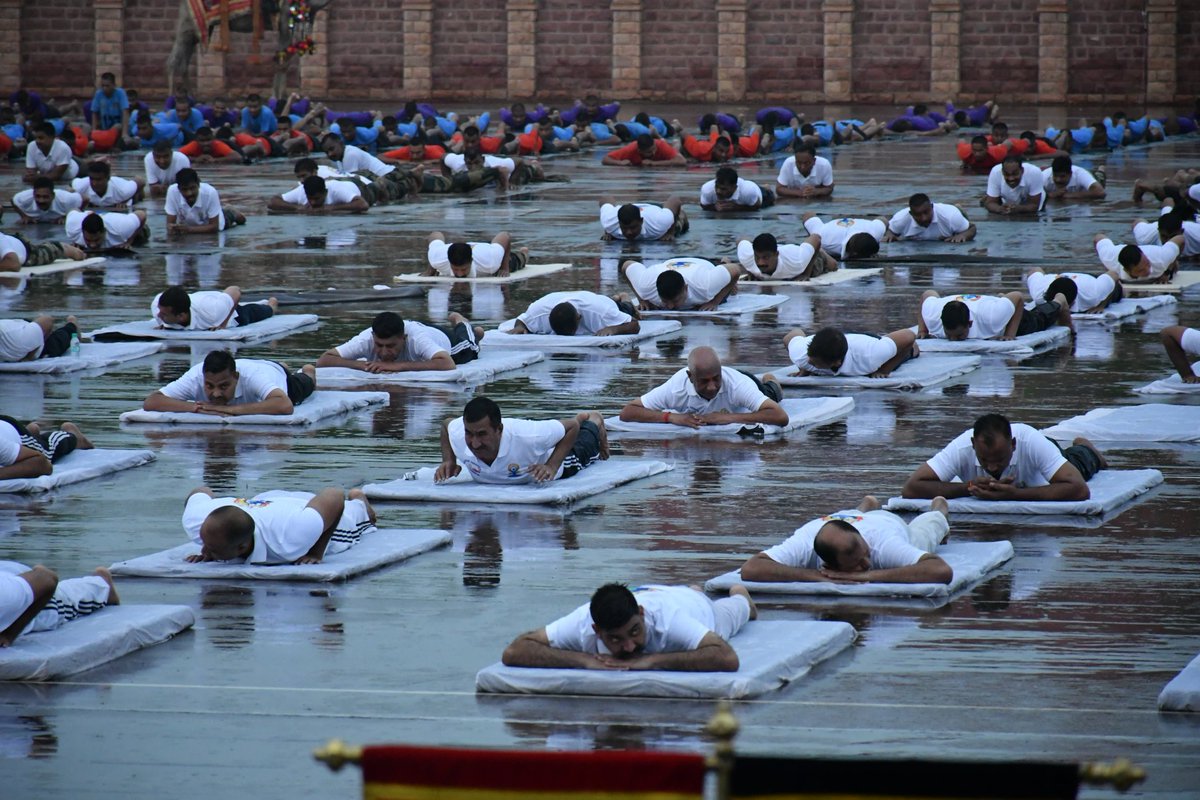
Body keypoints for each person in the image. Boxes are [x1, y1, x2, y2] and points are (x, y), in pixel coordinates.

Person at [500, 582, 754, 672]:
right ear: (597, 631)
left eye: (634, 632)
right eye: (615, 640)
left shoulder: (669, 621)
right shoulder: (580, 623)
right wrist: (583, 660)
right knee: (681, 593)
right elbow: (515, 651)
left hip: (696, 607)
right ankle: (688, 588)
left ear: (641, 615)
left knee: (739, 610)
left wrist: (652, 660)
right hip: (651, 591)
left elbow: (726, 657)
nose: (629, 646)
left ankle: (740, 595)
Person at [740, 495, 952, 585]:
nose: (866, 563)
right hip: (843, 518)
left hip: (886, 524)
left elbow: (940, 571)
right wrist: (816, 577)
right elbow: (752, 568)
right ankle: (866, 504)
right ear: (829, 565)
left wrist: (868, 576)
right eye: (857, 564)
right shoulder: (805, 541)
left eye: (865, 556)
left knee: (928, 528)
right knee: (846, 516)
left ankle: (939, 507)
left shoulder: (883, 545)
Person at [901, 412, 1105, 502]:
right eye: (984, 460)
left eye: (999, 460)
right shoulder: (962, 446)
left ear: (1013, 445)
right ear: (973, 445)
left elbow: (1079, 490)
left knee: (1080, 463)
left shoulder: (1028, 441)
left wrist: (1014, 494)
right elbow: (911, 488)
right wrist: (968, 487)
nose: (991, 468)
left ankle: (1086, 447)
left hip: (1047, 451)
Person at [181, 485, 376, 565]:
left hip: (304, 514)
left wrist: (316, 552)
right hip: (268, 500)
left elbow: (334, 494)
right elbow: (201, 490)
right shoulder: (195, 519)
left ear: (242, 546)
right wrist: (209, 552)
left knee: (355, 516)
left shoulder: (290, 541)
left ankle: (359, 500)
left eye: (212, 548)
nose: (203, 548)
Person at [435, 396, 609, 484]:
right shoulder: (458, 433)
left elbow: (572, 427)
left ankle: (593, 420)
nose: (474, 443)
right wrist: (449, 460)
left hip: (556, 458)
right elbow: (445, 425)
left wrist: (551, 466)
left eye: (482, 434)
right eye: (469, 434)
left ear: (499, 430)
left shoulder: (530, 437)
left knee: (585, 446)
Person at [619, 346, 787, 428]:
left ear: (721, 372)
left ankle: (770, 380)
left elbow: (780, 417)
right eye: (704, 381)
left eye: (716, 379)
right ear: (690, 377)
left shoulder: (737, 385)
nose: (712, 387)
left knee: (772, 394)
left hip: (749, 380)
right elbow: (628, 412)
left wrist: (726, 418)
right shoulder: (676, 387)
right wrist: (671, 417)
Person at [142, 350, 316, 417]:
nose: (216, 394)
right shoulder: (195, 376)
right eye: (210, 386)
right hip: (254, 363)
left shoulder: (251, 377)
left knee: (307, 384)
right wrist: (195, 408)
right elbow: (152, 401)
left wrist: (228, 409)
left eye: (223, 386)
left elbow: (284, 405)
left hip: (275, 374)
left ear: (236, 377)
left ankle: (305, 371)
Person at [316, 310, 482, 372]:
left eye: (391, 346)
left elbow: (447, 364)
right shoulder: (366, 338)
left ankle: (462, 322)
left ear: (403, 339)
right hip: (418, 327)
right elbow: (324, 360)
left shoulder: (417, 339)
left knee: (470, 348)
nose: (383, 352)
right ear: (373, 337)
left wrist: (396, 366)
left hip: (446, 341)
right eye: (379, 345)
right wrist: (361, 365)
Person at [0, 564, 119, 648]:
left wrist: (9, 635)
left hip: (37, 597)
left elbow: (47, 578)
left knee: (62, 600)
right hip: (13, 575)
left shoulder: (6, 596)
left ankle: (101, 585)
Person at [917, 290, 1071, 341]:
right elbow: (927, 294)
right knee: (1003, 305)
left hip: (997, 311)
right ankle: (1003, 300)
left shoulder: (992, 317)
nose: (953, 341)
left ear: (969, 324)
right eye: (949, 336)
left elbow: (1017, 297)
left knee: (1036, 320)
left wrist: (1010, 334)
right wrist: (922, 331)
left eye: (959, 336)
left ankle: (1059, 301)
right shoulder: (933, 314)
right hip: (986, 303)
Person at [784, 326, 919, 378]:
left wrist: (884, 370)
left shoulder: (871, 357)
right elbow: (791, 335)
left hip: (867, 342)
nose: (808, 362)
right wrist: (804, 368)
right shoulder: (801, 354)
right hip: (842, 336)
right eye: (810, 359)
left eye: (815, 363)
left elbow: (908, 335)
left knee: (911, 350)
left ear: (836, 362)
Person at [620, 257, 739, 311]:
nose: (671, 307)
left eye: (676, 300)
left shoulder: (705, 285)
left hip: (703, 264)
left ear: (686, 288)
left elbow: (735, 270)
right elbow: (626, 265)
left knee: (726, 292)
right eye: (665, 301)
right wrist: (642, 299)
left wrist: (715, 301)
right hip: (672, 261)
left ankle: (724, 261)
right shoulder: (645, 286)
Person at [509, 291, 640, 336]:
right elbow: (522, 320)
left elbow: (634, 324)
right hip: (567, 295)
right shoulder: (539, 311)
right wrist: (519, 327)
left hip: (603, 302)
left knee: (626, 308)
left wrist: (614, 329)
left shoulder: (601, 312)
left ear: (579, 318)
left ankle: (622, 297)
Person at [151, 285, 276, 331]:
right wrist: (164, 322)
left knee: (268, 311)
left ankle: (272, 303)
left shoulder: (214, 312)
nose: (158, 316)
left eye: (164, 315)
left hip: (235, 314)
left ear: (181, 316)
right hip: (204, 300)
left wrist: (223, 323)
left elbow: (236, 290)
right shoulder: (157, 306)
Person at [0, 415, 92, 477]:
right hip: (6, 430)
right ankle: (32, 434)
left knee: (47, 452)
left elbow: (43, 464)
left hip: (16, 432)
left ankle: (74, 436)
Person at [165, 168, 245, 235]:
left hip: (217, 224)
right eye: (184, 189)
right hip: (188, 225)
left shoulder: (210, 192)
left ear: (198, 185)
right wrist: (172, 228)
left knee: (240, 220)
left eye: (192, 188)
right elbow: (169, 224)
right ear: (178, 188)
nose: (189, 193)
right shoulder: (172, 191)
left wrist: (189, 230)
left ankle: (231, 211)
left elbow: (214, 227)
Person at [735, 232, 833, 281]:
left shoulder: (798, 261)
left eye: (766, 258)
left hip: (795, 256)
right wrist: (750, 271)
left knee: (833, 266)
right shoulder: (747, 256)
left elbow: (816, 238)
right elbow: (741, 241)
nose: (760, 263)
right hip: (783, 250)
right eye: (757, 257)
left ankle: (821, 252)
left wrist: (806, 273)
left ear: (776, 255)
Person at [425, 231, 525, 278]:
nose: (460, 274)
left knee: (515, 261)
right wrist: (432, 268)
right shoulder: (437, 258)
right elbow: (435, 234)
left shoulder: (490, 262)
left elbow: (505, 235)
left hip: (486, 250)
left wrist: (504, 268)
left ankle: (524, 252)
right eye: (455, 269)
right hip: (464, 248)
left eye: (464, 269)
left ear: (471, 261)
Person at [1093, 232, 1183, 283]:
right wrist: (1107, 268)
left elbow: (1180, 238)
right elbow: (1099, 237)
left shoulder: (1161, 258)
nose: (1147, 271)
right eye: (1140, 270)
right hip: (1118, 252)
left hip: (1153, 253)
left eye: (1147, 264)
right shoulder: (1110, 260)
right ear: (1127, 270)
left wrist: (1169, 268)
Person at [883, 193, 976, 242]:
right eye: (918, 215)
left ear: (932, 207)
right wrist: (889, 235)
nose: (924, 218)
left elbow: (972, 228)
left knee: (959, 219)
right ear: (911, 214)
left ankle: (959, 209)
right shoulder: (901, 219)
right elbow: (889, 230)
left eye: (926, 212)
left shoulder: (951, 216)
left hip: (953, 214)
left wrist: (962, 236)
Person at [1026, 268, 1123, 314]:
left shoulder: (1093, 294)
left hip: (1089, 281)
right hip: (1061, 277)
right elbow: (1035, 270)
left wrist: (1101, 305)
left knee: (1118, 290)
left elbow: (1113, 274)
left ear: (1073, 302)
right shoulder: (1039, 291)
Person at [802, 212, 887, 260]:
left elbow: (883, 220)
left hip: (860, 223)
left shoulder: (875, 230)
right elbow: (808, 215)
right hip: (832, 230)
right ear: (854, 253)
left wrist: (891, 233)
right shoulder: (825, 239)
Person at [598, 197, 688, 241]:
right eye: (624, 228)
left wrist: (670, 232)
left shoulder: (660, 222)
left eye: (633, 227)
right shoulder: (609, 221)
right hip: (634, 205)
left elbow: (675, 201)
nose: (629, 232)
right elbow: (605, 199)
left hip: (656, 209)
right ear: (618, 223)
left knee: (681, 225)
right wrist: (608, 231)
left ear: (641, 221)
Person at [266, 175, 368, 214]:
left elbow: (363, 205)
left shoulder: (336, 190)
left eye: (317, 198)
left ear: (325, 192)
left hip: (358, 186)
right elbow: (272, 202)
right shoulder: (302, 190)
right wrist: (296, 207)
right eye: (309, 198)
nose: (313, 203)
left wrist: (331, 208)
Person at [0, 314, 81, 361]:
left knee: (61, 337)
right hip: (19, 325)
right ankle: (39, 322)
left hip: (31, 339)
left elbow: (48, 320)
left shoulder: (19, 342)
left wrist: (28, 358)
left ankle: (72, 322)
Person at [71, 159, 143, 209]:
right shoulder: (82, 185)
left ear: (108, 178)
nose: (94, 183)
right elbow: (71, 187)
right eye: (92, 179)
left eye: (98, 180)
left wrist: (124, 201)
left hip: (120, 189)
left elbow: (140, 181)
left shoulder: (123, 190)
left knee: (139, 197)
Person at [64, 208, 148, 250]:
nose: (93, 245)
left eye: (97, 240)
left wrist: (129, 241)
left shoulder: (124, 228)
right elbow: (73, 210)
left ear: (104, 232)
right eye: (88, 240)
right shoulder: (73, 228)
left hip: (119, 222)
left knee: (141, 236)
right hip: (88, 215)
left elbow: (142, 214)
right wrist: (76, 241)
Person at [699, 166, 774, 211]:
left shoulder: (748, 192)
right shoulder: (707, 189)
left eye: (723, 189)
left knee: (770, 199)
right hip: (745, 188)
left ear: (734, 187)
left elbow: (757, 206)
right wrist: (714, 207)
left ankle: (765, 188)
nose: (718, 191)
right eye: (716, 187)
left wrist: (738, 207)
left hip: (757, 193)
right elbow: (703, 205)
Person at [10, 177, 83, 224]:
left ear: (53, 195)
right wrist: (24, 216)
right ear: (33, 194)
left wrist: (67, 216)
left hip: (66, 193)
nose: (41, 201)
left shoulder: (66, 199)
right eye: (38, 196)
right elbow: (13, 200)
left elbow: (85, 199)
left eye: (45, 197)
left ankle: (70, 189)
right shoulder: (24, 198)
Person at [88, 72, 130, 152]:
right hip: (104, 131)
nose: (104, 88)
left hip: (117, 130)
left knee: (117, 126)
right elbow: (94, 112)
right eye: (103, 86)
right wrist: (94, 131)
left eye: (107, 86)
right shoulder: (99, 94)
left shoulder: (120, 93)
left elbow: (125, 112)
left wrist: (125, 133)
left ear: (114, 85)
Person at [0, 229, 85, 268]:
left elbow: (14, 264)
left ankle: (67, 248)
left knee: (51, 250)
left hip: (28, 252)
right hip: (10, 239)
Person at [601, 133, 685, 167]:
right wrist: (620, 163)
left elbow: (682, 161)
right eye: (649, 152)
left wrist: (654, 163)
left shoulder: (660, 145)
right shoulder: (631, 149)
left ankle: (676, 144)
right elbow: (605, 159)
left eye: (654, 149)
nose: (653, 152)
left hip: (666, 149)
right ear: (639, 151)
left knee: (676, 150)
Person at [177, 126, 242, 165]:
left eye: (208, 140)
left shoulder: (218, 145)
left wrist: (215, 160)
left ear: (213, 139)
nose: (206, 143)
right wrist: (195, 159)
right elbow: (176, 156)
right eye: (202, 141)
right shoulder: (193, 145)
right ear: (196, 141)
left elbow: (238, 157)